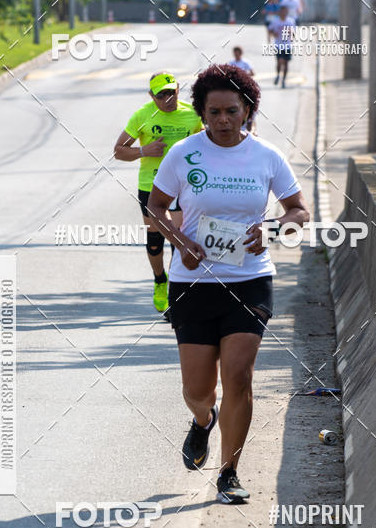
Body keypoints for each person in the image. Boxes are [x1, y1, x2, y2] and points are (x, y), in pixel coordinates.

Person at [148, 64, 309, 503]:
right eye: (213, 111)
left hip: (250, 279)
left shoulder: (266, 156)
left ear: (248, 111)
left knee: (239, 377)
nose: (222, 119)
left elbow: (299, 210)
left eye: (231, 111)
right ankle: (203, 422)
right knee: (197, 390)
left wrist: (273, 229)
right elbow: (156, 208)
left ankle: (229, 472)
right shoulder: (183, 153)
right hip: (194, 283)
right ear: (201, 111)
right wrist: (180, 242)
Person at [114, 73, 202, 313]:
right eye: (161, 94)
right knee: (155, 241)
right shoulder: (143, 115)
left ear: (178, 90)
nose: (167, 99)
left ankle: (177, 294)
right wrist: (144, 150)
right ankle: (160, 280)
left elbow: (206, 144)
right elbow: (119, 151)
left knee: (177, 238)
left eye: (171, 92)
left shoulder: (192, 115)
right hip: (151, 186)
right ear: (151, 96)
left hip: (182, 187)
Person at [229, 47, 256, 134]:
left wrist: (243, 75)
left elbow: (252, 73)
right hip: (234, 88)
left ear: (240, 53)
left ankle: (251, 130)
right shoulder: (231, 63)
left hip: (244, 86)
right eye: (235, 53)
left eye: (238, 53)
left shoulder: (245, 63)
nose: (236, 55)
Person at [269, 4, 296, 88]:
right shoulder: (275, 21)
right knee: (280, 61)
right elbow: (270, 30)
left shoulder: (290, 21)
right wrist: (273, 34)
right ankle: (278, 75)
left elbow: (294, 33)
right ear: (279, 12)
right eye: (282, 11)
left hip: (287, 45)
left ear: (287, 12)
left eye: (285, 11)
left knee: (286, 63)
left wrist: (291, 34)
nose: (283, 13)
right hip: (278, 45)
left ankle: (283, 79)